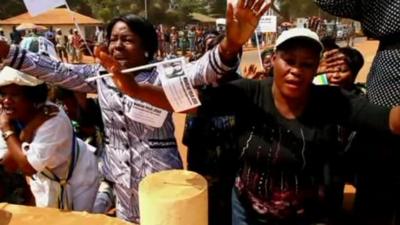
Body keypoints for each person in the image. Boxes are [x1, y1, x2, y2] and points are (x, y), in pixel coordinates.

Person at [97, 27, 400, 225]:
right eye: (289, 60)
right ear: (274, 60)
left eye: (306, 64)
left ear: (316, 67)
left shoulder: (334, 100)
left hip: (310, 216)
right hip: (247, 214)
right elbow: (188, 103)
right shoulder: (249, 93)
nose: (296, 70)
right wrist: (134, 89)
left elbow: (388, 119)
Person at [0, 0, 270, 222]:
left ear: (147, 49)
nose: (117, 45)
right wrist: (8, 52)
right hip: (120, 182)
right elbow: (57, 71)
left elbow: (203, 70)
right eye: (113, 39)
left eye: (127, 40)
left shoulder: (162, 75)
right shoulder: (98, 76)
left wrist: (231, 44)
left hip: (161, 183)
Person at [0, 66, 99, 211]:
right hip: (47, 177)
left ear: (32, 96)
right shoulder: (7, 118)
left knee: (81, 219)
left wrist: (8, 131)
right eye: (3, 94)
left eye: (14, 95)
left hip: (79, 176)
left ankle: (106, 193)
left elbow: (28, 167)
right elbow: (9, 164)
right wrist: (26, 131)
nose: (6, 101)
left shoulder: (53, 119)